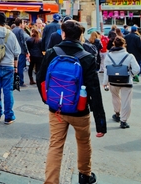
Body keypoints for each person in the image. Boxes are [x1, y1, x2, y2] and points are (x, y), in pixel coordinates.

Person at [36, 20, 106, 184]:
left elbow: (40, 78)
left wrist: (48, 100)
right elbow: (94, 91)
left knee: (55, 145)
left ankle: (51, 181)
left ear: (63, 34)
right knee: (83, 142)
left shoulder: (53, 52)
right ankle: (85, 175)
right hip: (79, 110)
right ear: (81, 36)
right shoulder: (87, 57)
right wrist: (101, 123)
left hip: (57, 110)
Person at [102, 36, 140, 129]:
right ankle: (123, 121)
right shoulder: (129, 56)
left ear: (114, 44)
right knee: (126, 101)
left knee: (115, 98)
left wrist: (105, 82)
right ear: (124, 45)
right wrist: (130, 74)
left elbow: (106, 70)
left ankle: (117, 114)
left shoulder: (109, 55)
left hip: (113, 81)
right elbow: (137, 69)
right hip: (126, 82)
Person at [12, 18, 29, 87]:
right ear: (20, 23)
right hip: (21, 51)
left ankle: (15, 81)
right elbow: (23, 42)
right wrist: (26, 51)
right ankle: (21, 81)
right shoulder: (20, 31)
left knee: (15, 67)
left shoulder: (12, 30)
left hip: (13, 51)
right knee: (20, 67)